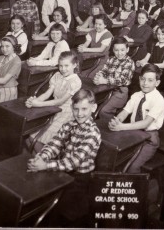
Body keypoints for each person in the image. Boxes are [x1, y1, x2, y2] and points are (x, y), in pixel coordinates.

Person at [27, 89, 101, 228]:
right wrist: (42, 157)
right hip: (62, 171)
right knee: (40, 195)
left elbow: (74, 162)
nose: (80, 114)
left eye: (84, 109)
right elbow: (55, 143)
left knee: (64, 213)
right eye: (76, 109)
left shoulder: (92, 133)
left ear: (94, 108)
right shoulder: (69, 124)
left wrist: (46, 165)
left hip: (80, 180)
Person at [108, 64, 164, 174]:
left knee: (131, 167)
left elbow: (145, 123)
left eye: (150, 80)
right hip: (133, 133)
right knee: (115, 158)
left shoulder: (158, 100)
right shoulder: (136, 95)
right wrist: (116, 121)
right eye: (143, 79)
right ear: (139, 79)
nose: (145, 83)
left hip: (149, 139)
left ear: (157, 83)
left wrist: (121, 127)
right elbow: (124, 112)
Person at [26, 51, 82, 152]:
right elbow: (47, 93)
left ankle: (45, 160)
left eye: (66, 66)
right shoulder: (57, 75)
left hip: (66, 113)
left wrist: (38, 104)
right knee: (31, 136)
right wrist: (34, 101)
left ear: (74, 65)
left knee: (40, 139)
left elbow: (60, 101)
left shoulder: (75, 81)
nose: (63, 69)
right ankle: (42, 159)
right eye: (60, 66)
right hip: (53, 108)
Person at [94, 37, 135, 120]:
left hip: (120, 92)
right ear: (113, 50)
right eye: (116, 50)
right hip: (107, 90)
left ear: (127, 49)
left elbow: (122, 80)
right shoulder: (111, 59)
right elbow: (104, 71)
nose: (119, 53)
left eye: (122, 50)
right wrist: (99, 76)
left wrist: (104, 81)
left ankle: (111, 126)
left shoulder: (129, 62)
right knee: (92, 105)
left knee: (103, 111)